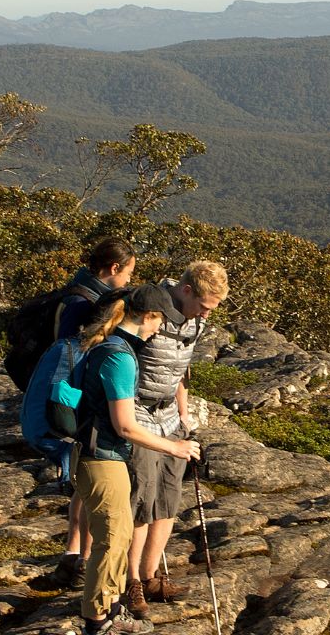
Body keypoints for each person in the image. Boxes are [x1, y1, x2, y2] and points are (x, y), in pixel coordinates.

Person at [74, 285, 201, 635]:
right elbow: (126, 426)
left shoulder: (114, 346)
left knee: (118, 535)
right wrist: (173, 447)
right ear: (148, 317)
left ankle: (111, 611)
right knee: (112, 540)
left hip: (102, 455)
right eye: (159, 322)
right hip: (103, 457)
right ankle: (99, 621)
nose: (160, 330)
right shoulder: (119, 356)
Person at [122, 261, 228, 616]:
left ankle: (151, 575)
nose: (206, 314)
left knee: (168, 498)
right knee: (141, 500)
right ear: (186, 291)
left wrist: (184, 416)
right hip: (137, 413)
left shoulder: (196, 321)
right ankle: (130, 581)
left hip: (171, 417)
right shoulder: (149, 311)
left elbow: (181, 371)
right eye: (204, 306)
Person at [49, 238, 137, 587]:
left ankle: (73, 555)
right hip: (81, 404)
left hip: (68, 399)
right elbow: (77, 353)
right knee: (88, 485)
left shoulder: (74, 290)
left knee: (80, 486)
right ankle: (81, 559)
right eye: (128, 272)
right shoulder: (87, 304)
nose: (129, 280)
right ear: (113, 268)